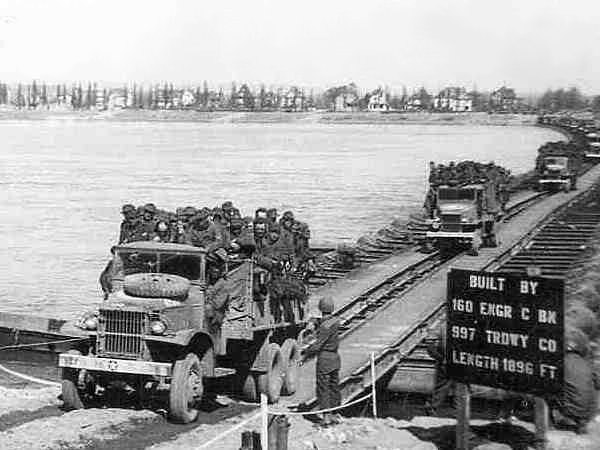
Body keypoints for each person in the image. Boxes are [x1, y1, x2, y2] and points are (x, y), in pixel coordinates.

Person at [549, 327, 598, 433]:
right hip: (590, 411)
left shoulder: (561, 362)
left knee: (548, 387)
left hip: (570, 409)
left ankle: (550, 422)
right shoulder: (586, 363)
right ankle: (582, 423)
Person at [302, 296, 341, 426]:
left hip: (325, 360)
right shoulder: (336, 321)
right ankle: (335, 414)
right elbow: (327, 321)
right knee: (334, 387)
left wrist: (305, 356)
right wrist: (315, 321)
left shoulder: (325, 327)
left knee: (323, 387)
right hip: (335, 358)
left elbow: (317, 345)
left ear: (320, 308)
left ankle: (326, 417)